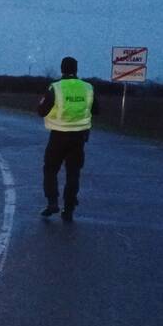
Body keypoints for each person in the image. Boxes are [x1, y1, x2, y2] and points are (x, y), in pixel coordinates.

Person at [37, 56, 98, 222]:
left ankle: (52, 202)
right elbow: (97, 109)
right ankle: (69, 209)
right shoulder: (88, 87)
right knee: (73, 173)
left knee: (50, 170)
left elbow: (41, 110)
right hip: (79, 137)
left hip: (58, 136)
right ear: (76, 69)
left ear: (62, 68)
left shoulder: (55, 87)